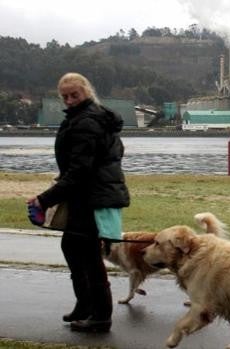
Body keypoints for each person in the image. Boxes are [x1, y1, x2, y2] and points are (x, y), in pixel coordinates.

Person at [27, 72, 130, 333]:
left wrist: (44, 199)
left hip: (90, 195)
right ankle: (85, 305)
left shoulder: (87, 122)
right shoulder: (89, 117)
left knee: (87, 256)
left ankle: (100, 316)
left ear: (86, 91)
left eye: (75, 95)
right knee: (74, 248)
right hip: (89, 193)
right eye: (65, 96)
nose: (70, 100)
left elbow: (80, 171)